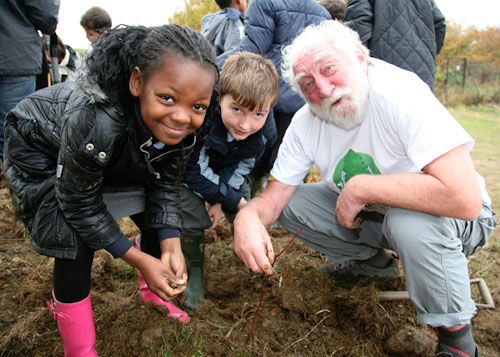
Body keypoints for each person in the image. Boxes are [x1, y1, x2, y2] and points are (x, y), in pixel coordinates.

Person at [232, 20, 497, 357]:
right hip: (377, 220)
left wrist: (362, 187)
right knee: (292, 204)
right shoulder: (306, 123)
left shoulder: (400, 92)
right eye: (307, 84)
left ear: (360, 57)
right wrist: (248, 216)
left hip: (458, 222)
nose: (324, 90)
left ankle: (456, 340)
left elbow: (465, 199)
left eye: (329, 68)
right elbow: (274, 197)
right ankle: (373, 264)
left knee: (407, 221)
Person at [3, 24, 218, 355]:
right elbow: (78, 202)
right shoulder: (97, 120)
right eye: (167, 98)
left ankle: (152, 295)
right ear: (136, 82)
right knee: (73, 241)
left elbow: (166, 183)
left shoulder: (182, 130)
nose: (181, 116)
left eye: (197, 107)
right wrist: (138, 259)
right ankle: (80, 348)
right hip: (41, 152)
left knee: (157, 220)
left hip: (106, 156)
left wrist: (170, 241)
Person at [181, 51, 279, 309]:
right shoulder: (202, 118)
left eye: (259, 114)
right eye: (236, 110)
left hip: (226, 171)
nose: (246, 125)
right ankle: (194, 279)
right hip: (189, 170)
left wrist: (223, 199)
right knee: (191, 217)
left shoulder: (266, 132)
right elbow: (193, 170)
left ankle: (258, 263)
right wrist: (228, 198)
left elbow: (243, 165)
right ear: (219, 99)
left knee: (244, 211)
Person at [218, 0, 331, 197]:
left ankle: (253, 196)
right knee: (289, 155)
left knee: (258, 148)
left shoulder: (265, 3)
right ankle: (285, 207)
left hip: (268, 95)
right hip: (303, 97)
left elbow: (252, 49)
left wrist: (211, 65)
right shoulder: (322, 14)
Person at [0, 0, 59, 164]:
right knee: (15, 136)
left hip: (14, 57)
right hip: (14, 55)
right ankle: (11, 183)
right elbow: (46, 17)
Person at [344, 0, 446, 91]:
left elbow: (357, 31)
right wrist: (427, 55)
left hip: (382, 75)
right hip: (422, 76)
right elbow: (440, 25)